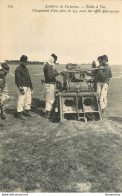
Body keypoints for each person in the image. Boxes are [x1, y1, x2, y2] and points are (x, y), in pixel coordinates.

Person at [15, 55, 35, 120]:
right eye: (24, 61)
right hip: (22, 86)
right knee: (21, 100)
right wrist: (20, 88)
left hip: (28, 86)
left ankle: (27, 111)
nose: (25, 63)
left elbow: (29, 78)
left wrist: (31, 86)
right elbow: (17, 80)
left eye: (26, 61)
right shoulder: (18, 69)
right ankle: (20, 114)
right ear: (20, 61)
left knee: (28, 99)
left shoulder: (26, 69)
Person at [43, 54, 60, 119]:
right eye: (55, 60)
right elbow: (50, 75)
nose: (55, 61)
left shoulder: (48, 66)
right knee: (49, 99)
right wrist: (58, 72)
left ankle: (49, 112)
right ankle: (47, 113)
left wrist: (55, 72)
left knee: (50, 98)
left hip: (50, 84)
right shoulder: (48, 66)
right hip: (49, 85)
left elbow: (51, 74)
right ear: (52, 60)